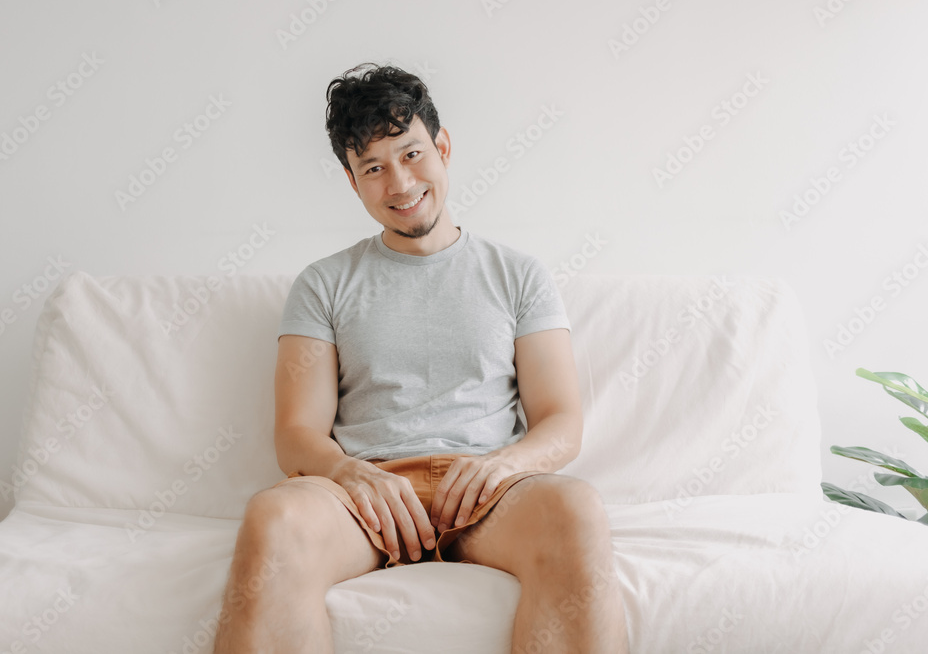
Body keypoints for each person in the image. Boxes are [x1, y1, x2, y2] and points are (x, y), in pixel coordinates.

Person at [213, 62, 628, 654]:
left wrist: (502, 466)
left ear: (443, 147)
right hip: (363, 497)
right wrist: (350, 474)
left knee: (577, 508)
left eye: (411, 155)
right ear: (353, 183)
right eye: (373, 168)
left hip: (488, 495)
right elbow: (296, 433)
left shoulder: (520, 276)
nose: (400, 183)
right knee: (271, 518)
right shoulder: (323, 284)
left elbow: (561, 419)